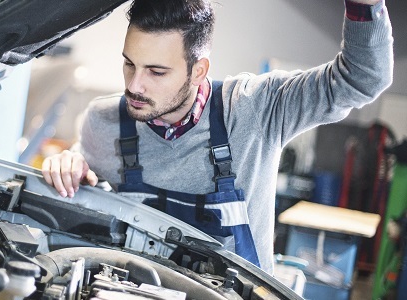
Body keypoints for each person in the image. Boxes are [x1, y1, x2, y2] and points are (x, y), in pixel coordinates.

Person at [41, 0, 393, 274]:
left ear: (199, 70)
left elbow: (361, 78)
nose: (134, 85)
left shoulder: (257, 108)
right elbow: (83, 169)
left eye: (156, 71)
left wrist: (364, 6)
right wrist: (72, 164)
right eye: (129, 64)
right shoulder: (105, 122)